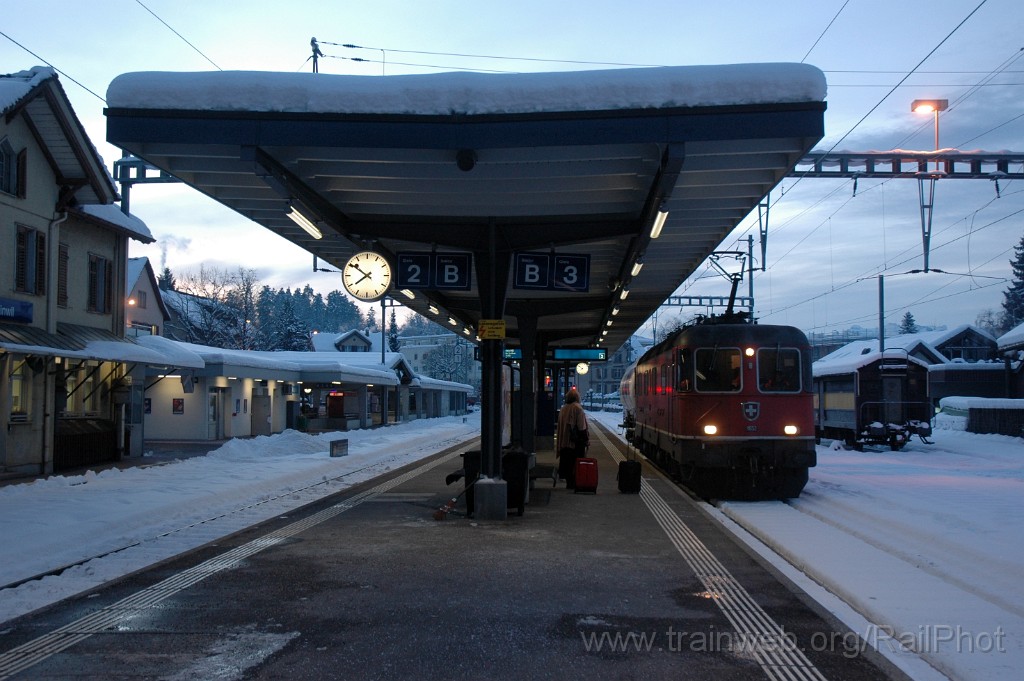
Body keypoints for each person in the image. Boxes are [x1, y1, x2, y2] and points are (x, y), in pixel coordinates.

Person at [556, 388, 589, 489]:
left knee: (567, 463)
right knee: (576, 463)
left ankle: (569, 482)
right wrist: (585, 439)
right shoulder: (578, 408)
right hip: (574, 442)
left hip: (564, 442)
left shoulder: (563, 408)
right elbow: (581, 427)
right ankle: (575, 483)